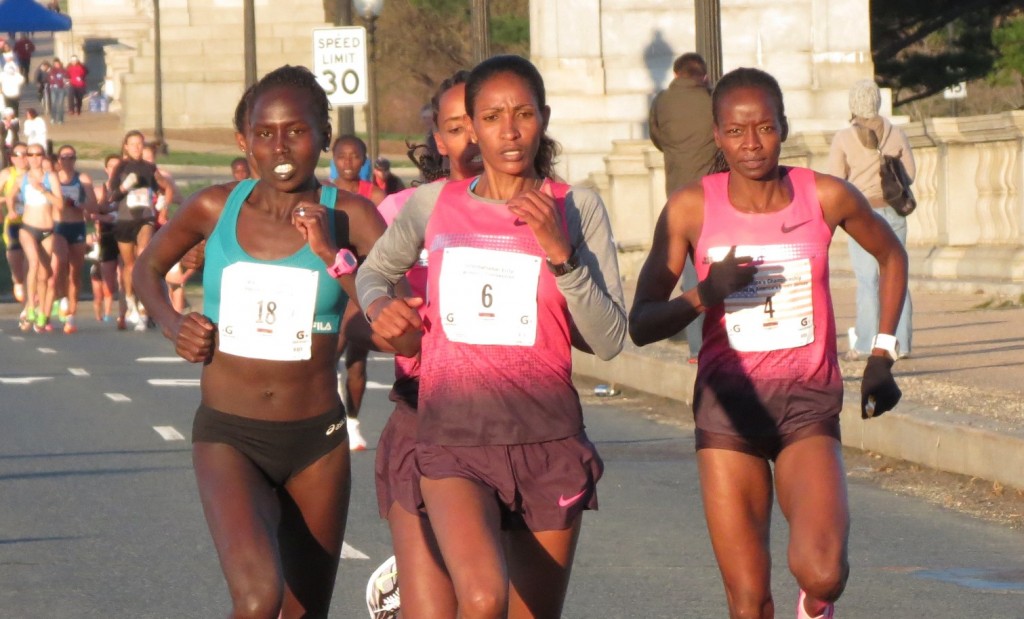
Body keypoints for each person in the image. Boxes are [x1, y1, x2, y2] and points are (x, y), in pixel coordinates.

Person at [628, 67, 907, 619]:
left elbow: (891, 254)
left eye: (764, 129)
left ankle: (814, 607)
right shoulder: (691, 208)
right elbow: (641, 322)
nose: (751, 144)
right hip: (727, 412)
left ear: (784, 127)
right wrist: (706, 293)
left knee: (824, 572)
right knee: (749, 602)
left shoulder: (824, 196)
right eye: (736, 131)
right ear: (717, 135)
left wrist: (882, 354)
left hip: (806, 405)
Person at [357, 54, 626, 619]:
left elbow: (608, 339)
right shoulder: (434, 205)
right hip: (453, 436)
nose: (509, 131)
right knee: (482, 598)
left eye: (524, 114)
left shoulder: (578, 209)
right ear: (471, 126)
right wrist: (380, 307)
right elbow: (373, 272)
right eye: (493, 116)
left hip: (546, 441)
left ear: (543, 119)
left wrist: (562, 255)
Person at [132, 64, 386, 619]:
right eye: (264, 134)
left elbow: (399, 310)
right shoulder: (213, 207)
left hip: (316, 440)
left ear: (322, 131)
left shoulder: (352, 216)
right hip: (230, 436)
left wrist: (333, 255)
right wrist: (174, 324)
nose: (279, 146)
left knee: (303, 611)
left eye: (295, 130)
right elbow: (147, 269)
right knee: (256, 597)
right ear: (243, 140)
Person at [365, 69, 484, 619]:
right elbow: (364, 297)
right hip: (424, 404)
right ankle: (415, 570)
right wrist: (387, 318)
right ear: (439, 137)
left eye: (482, 122)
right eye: (457, 127)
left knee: (487, 596)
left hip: (519, 418)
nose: (474, 139)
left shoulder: (545, 209)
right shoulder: (405, 212)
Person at [828, 79, 915, 360]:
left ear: (853, 104)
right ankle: (900, 343)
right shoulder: (896, 133)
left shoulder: (844, 138)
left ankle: (867, 343)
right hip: (893, 211)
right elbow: (910, 174)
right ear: (878, 101)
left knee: (868, 280)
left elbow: (835, 179)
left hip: (863, 216)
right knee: (897, 274)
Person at [648, 52, 718, 364]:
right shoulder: (712, 100)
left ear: (676, 74)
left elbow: (657, 138)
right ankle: (711, 341)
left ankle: (694, 345)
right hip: (711, 194)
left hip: (677, 191)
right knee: (708, 266)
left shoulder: (662, 101)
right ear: (702, 76)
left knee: (687, 266)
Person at [328, 133, 384, 451]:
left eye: (355, 157)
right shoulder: (324, 193)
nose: (348, 163)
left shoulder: (374, 195)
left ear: (364, 161)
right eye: (342, 156)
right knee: (328, 354)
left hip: (361, 282)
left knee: (357, 361)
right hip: (329, 281)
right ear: (333, 160)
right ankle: (326, 418)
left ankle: (352, 421)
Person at [107, 129, 173, 331]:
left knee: (143, 255)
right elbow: (112, 196)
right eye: (132, 144)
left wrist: (162, 203)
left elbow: (164, 187)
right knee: (129, 265)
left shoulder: (150, 167)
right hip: (125, 220)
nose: (136, 147)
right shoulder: (120, 167)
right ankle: (131, 302)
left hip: (145, 217)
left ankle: (144, 305)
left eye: (139, 144)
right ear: (125, 147)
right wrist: (124, 188)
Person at [51, 144, 98, 334]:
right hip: (58, 226)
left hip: (77, 226)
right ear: (58, 160)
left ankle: (71, 312)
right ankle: (61, 297)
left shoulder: (82, 179)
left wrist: (79, 204)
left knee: (75, 271)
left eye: (71, 157)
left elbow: (93, 205)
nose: (67, 161)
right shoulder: (53, 179)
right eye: (64, 157)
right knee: (60, 263)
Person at [16, 142, 62, 332]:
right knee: (33, 263)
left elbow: (60, 204)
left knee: (45, 274)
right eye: (30, 154)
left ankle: (43, 311)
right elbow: (10, 195)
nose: (34, 158)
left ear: (43, 157)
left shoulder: (51, 178)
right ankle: (30, 307)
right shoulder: (22, 178)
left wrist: (44, 190)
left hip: (47, 230)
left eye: (38, 154)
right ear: (26, 157)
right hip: (27, 227)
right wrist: (10, 209)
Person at [90, 153, 121, 323]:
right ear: (106, 169)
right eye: (111, 167)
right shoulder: (99, 189)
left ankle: (123, 311)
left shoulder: (127, 190)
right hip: (107, 236)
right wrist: (104, 218)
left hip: (125, 233)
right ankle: (106, 312)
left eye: (118, 166)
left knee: (125, 274)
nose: (115, 170)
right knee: (107, 276)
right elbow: (91, 213)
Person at [1, 142, 28, 303]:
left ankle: (31, 303)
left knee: (33, 262)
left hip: (34, 223)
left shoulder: (37, 174)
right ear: (11, 158)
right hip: (13, 223)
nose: (22, 158)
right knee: (17, 267)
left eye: (26, 154)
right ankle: (19, 283)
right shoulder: (6, 174)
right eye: (18, 155)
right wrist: (9, 199)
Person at [47, 59, 69, 125]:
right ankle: (53, 118)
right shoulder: (51, 71)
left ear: (60, 63)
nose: (57, 65)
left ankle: (60, 119)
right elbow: (49, 79)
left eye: (58, 64)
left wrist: (66, 84)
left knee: (60, 104)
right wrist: (51, 84)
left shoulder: (63, 71)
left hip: (61, 89)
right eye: (55, 64)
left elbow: (67, 79)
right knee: (53, 104)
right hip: (53, 89)